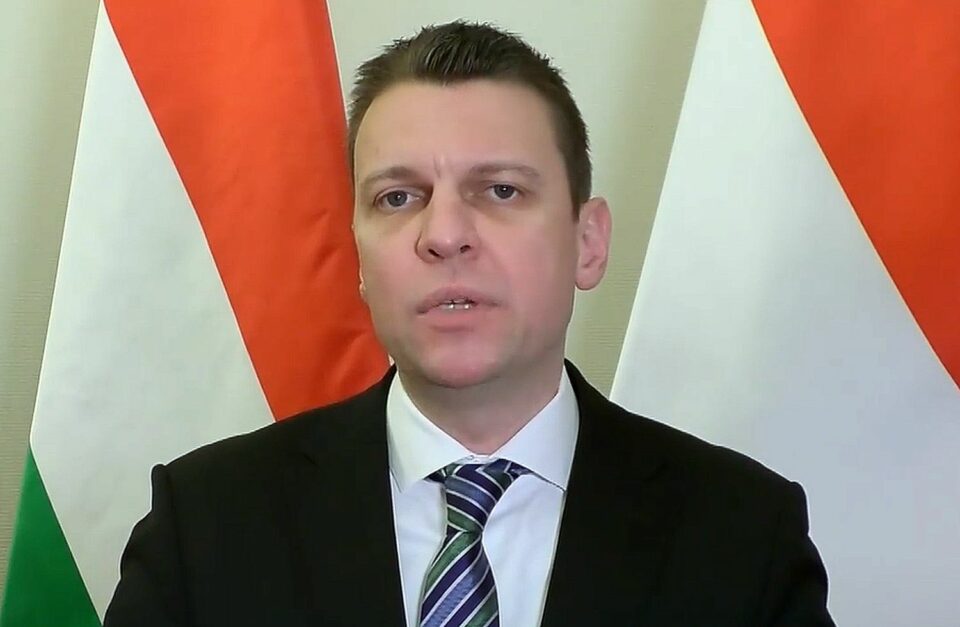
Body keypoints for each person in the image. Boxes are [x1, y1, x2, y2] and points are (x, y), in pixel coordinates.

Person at [103, 21, 835, 627]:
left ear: (588, 242)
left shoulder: (744, 534)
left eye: (501, 190)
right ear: (358, 257)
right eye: (398, 198)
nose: (445, 234)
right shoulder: (204, 525)